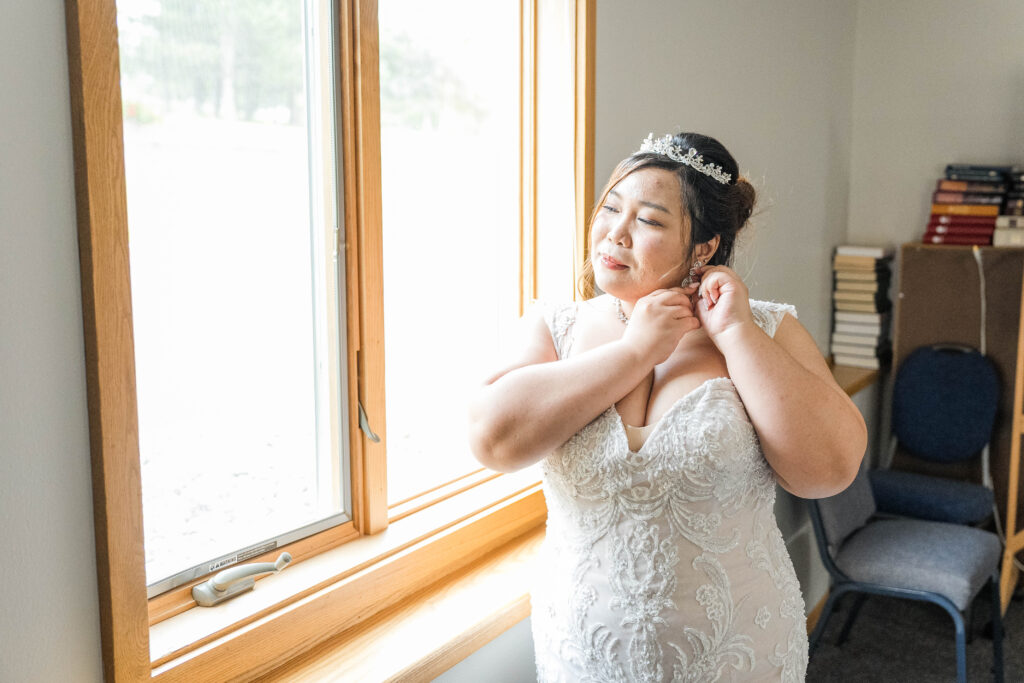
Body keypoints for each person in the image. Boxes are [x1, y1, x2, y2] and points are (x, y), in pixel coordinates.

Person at [467, 131, 867, 681]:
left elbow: (828, 470)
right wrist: (634, 353)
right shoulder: (555, 326)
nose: (615, 233)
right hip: (582, 647)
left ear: (703, 247)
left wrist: (736, 333)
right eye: (610, 208)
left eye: (649, 221)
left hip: (738, 649)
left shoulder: (766, 328)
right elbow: (492, 441)